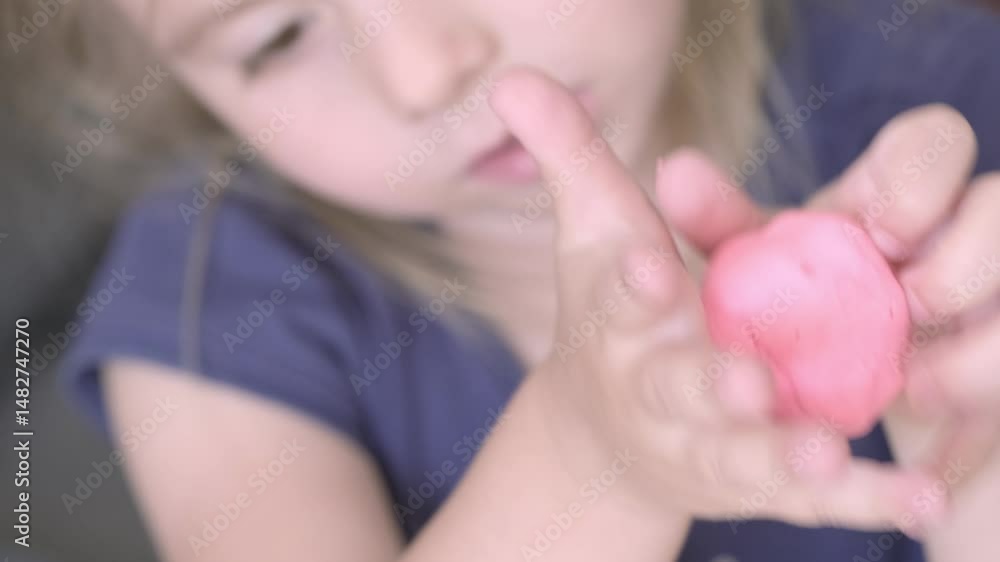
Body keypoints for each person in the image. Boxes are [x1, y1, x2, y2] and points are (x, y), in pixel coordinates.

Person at [54, 0, 1000, 560]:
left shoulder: (932, 80)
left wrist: (969, 463)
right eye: (276, 34)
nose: (422, 71)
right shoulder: (207, 308)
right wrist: (592, 460)